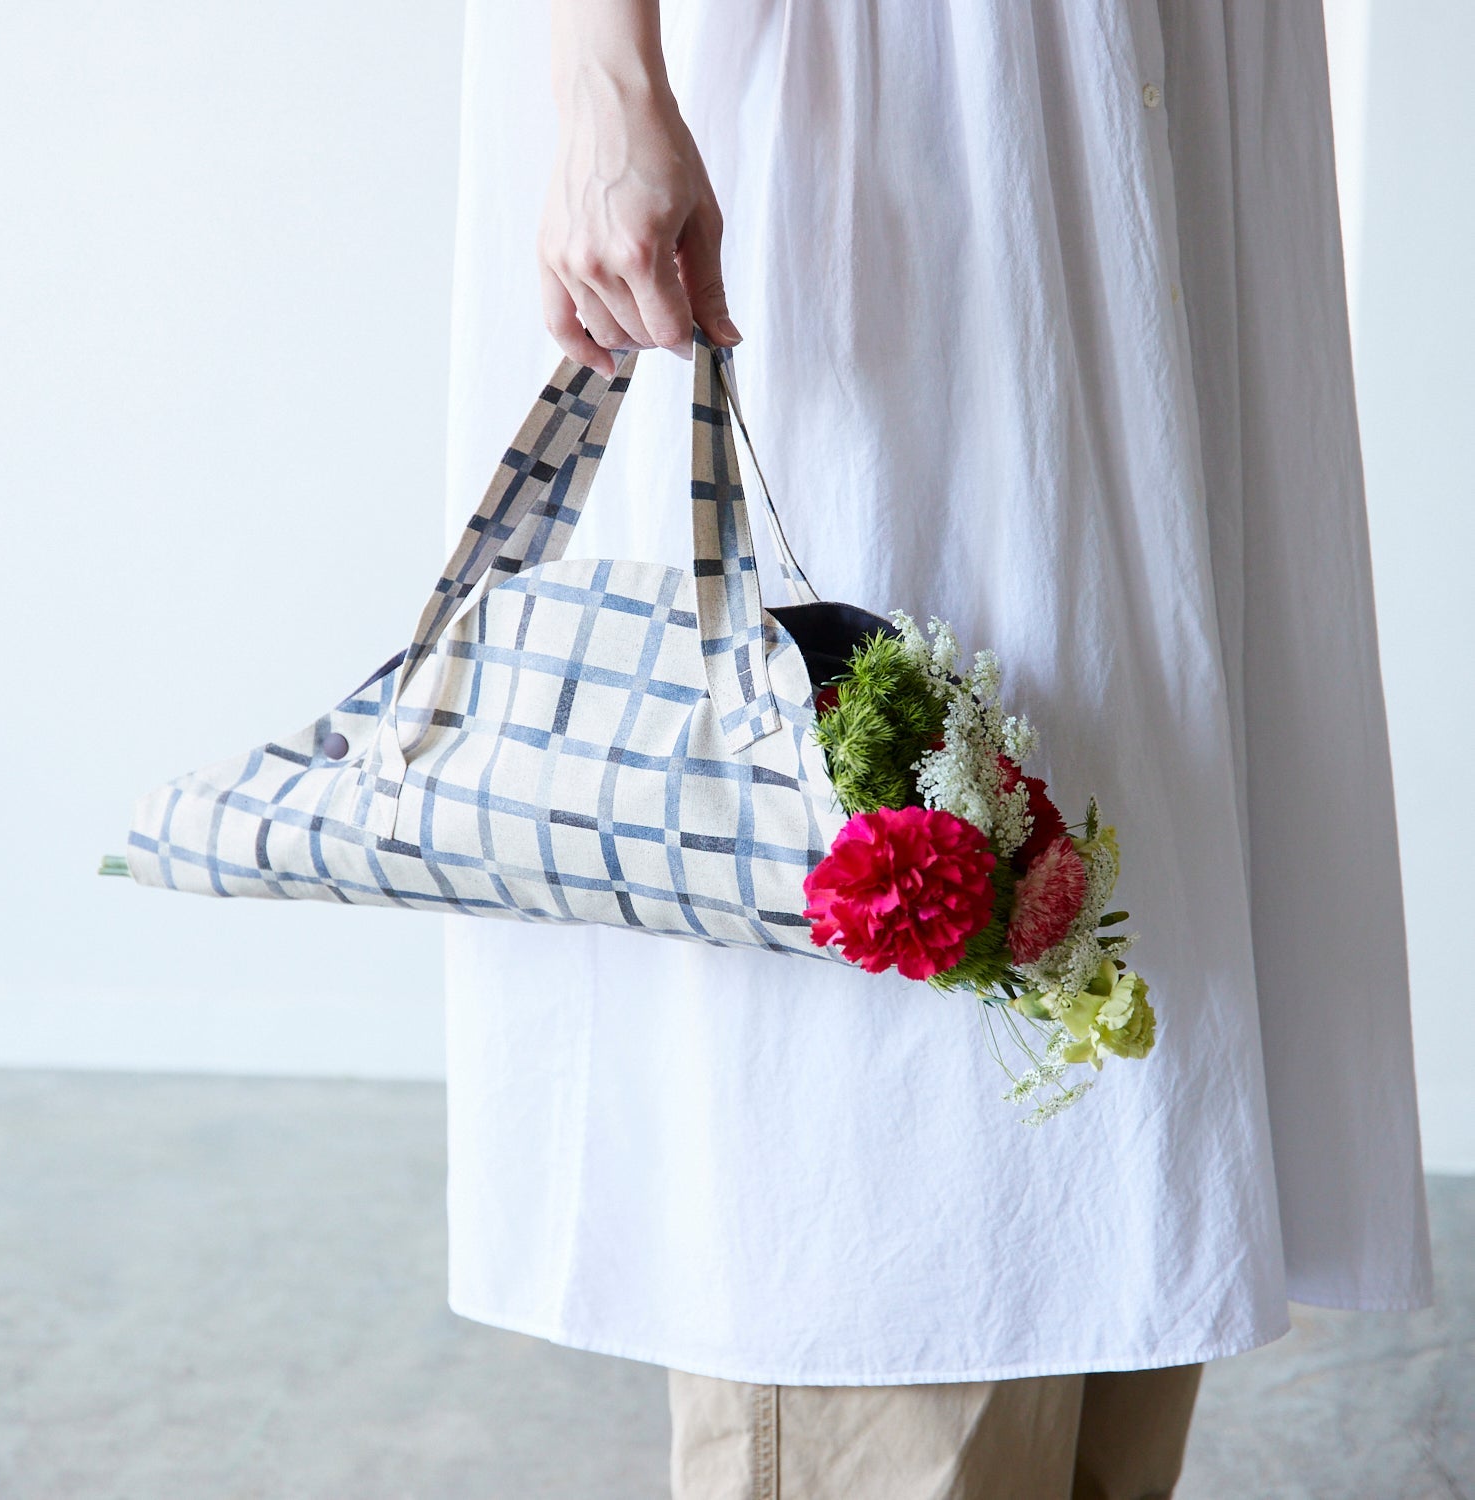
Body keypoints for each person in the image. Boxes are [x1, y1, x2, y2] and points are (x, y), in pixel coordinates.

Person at [442, 2, 1433, 1496]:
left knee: (1135, 913)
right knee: (883, 1064)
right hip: (891, 95)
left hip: (1152, 82)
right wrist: (603, 79)